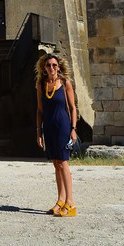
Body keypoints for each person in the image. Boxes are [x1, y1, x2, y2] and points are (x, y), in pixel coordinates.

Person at [35, 53, 78, 216]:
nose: (51, 68)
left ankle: (70, 203)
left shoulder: (65, 83)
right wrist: (38, 131)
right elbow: (39, 110)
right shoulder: (41, 84)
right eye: (48, 65)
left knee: (63, 162)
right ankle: (60, 200)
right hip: (49, 127)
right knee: (55, 163)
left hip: (63, 127)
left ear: (58, 66)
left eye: (54, 65)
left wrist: (73, 129)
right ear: (44, 68)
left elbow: (73, 108)